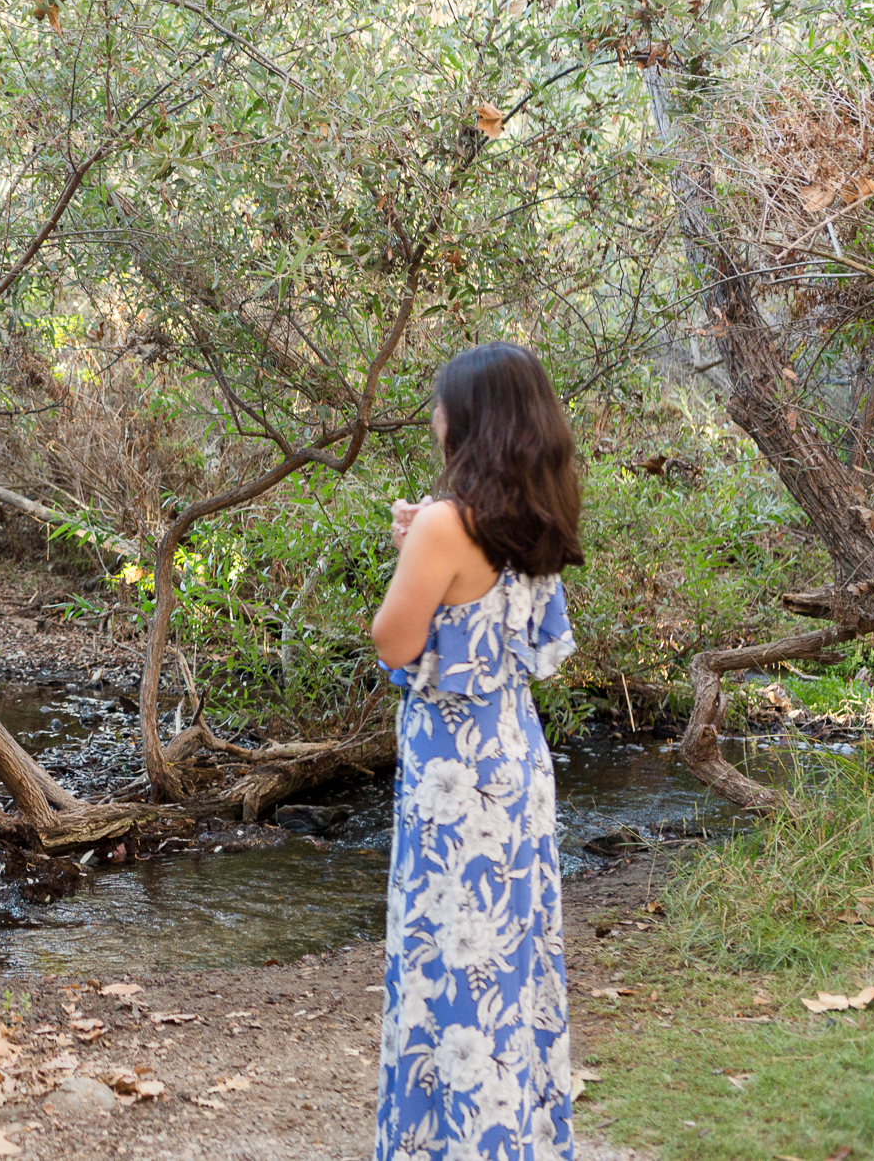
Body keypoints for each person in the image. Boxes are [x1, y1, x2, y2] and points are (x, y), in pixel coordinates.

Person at [368, 342, 583, 1161]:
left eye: (442, 404)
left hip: (454, 774)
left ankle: (448, 1145)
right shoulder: (537, 516)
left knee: (449, 966)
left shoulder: (442, 523)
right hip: (517, 758)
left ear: (471, 421)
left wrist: (417, 544)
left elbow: (395, 640)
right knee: (510, 964)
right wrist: (422, 537)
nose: (434, 417)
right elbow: (517, 630)